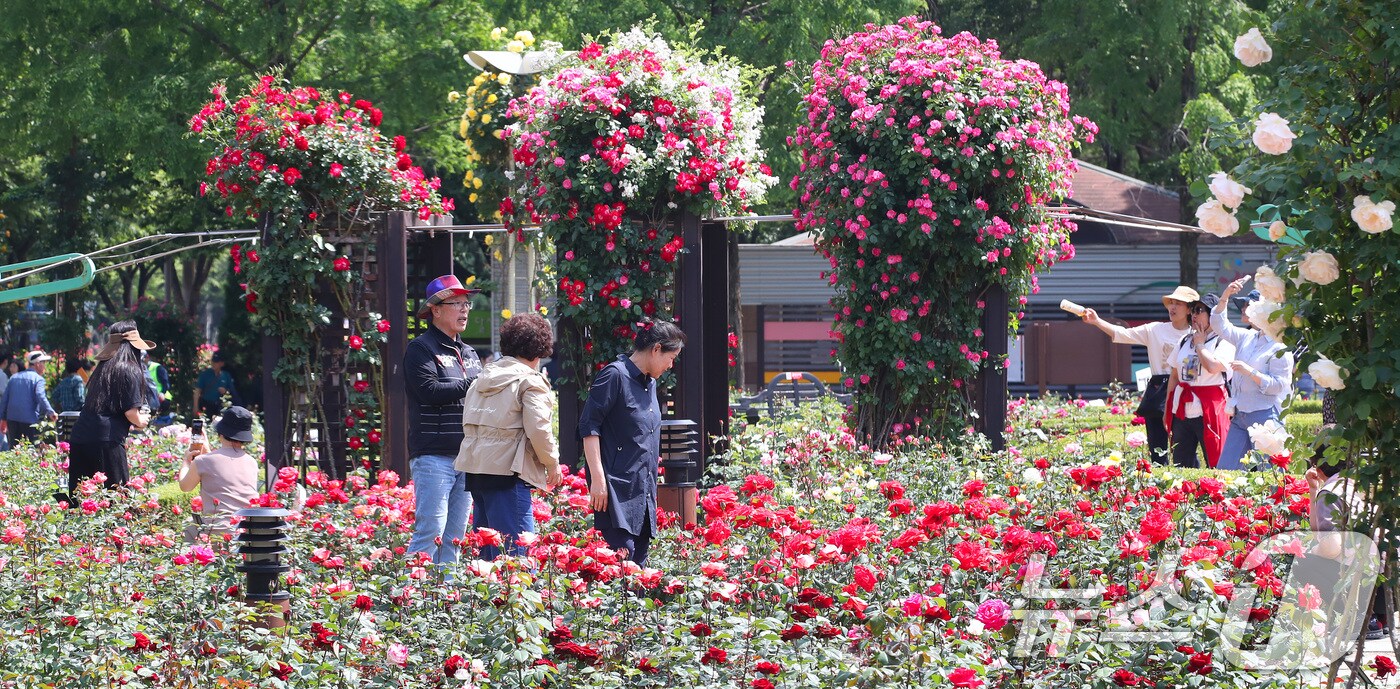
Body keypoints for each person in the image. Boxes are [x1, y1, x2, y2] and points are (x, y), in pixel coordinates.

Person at [456, 313, 563, 560]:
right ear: (539, 350)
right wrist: (552, 463)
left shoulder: (480, 380)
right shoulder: (530, 381)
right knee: (517, 558)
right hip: (508, 472)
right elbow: (539, 428)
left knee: (489, 558)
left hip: (477, 471)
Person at [579, 321, 687, 565]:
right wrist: (598, 479)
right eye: (671, 358)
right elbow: (589, 427)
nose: (671, 365)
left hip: (643, 490)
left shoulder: (650, 383)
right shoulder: (615, 375)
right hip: (615, 490)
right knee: (622, 563)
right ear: (656, 349)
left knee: (640, 566)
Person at [405, 274, 483, 566]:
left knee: (454, 539)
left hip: (467, 458)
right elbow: (429, 391)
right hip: (433, 458)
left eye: (466, 303)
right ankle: (411, 591)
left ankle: (447, 593)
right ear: (435, 310)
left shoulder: (470, 352)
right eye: (456, 303)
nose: (464, 309)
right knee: (430, 533)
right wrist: (476, 383)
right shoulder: (420, 349)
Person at [1083, 286, 1197, 463]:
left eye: (1179, 304)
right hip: (1159, 391)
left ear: (1189, 309)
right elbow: (1122, 334)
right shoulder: (1155, 329)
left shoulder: (1196, 335)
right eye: (1171, 303)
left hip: (1185, 391)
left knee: (1185, 450)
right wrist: (1097, 321)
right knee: (1157, 449)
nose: (1172, 307)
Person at [1213, 279, 1294, 470]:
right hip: (1240, 414)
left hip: (1265, 414)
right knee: (1226, 470)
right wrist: (1225, 296)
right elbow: (1219, 325)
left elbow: (1277, 386)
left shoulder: (1280, 348)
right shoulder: (1247, 336)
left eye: (1249, 305)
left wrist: (1250, 371)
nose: (1244, 309)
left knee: (1272, 474)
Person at [67, 323, 154, 495]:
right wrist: (142, 420)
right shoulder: (130, 368)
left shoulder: (102, 368)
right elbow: (131, 412)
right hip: (106, 442)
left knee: (81, 498)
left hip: (80, 438)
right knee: (116, 498)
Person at [1164, 294, 1235, 469]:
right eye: (1192, 310)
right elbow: (1175, 375)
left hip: (1210, 407)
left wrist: (1200, 345)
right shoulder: (1184, 340)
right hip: (1182, 408)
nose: (1194, 315)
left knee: (1216, 460)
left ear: (1213, 316)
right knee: (1181, 463)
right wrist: (1167, 409)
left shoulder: (1223, 341)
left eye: (1199, 310)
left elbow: (1212, 367)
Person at [178, 406, 259, 542]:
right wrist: (207, 451)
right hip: (247, 533)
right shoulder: (252, 462)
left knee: (188, 525)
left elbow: (185, 486)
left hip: (216, 535)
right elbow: (224, 471)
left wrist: (186, 461)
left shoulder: (203, 461)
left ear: (220, 433)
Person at [0, 351, 60, 446]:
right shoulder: (38, 379)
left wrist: (3, 418)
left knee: (14, 449)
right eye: (43, 363)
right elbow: (40, 396)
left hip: (12, 419)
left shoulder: (14, 377)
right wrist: (51, 412)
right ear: (37, 364)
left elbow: (5, 399)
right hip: (29, 420)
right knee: (31, 449)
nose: (45, 366)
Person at [193, 352, 238, 418]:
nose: (213, 363)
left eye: (216, 362)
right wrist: (195, 407)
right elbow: (197, 391)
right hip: (205, 405)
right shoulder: (205, 374)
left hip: (219, 407)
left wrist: (225, 391)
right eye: (213, 361)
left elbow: (232, 392)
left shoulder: (226, 376)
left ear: (222, 363)